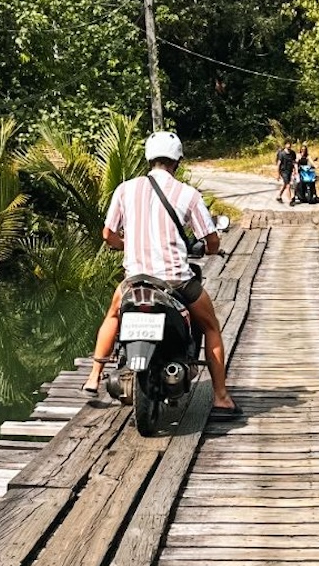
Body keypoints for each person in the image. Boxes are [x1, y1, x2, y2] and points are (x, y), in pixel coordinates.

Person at [82, 132, 240, 418]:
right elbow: (212, 239)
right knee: (211, 327)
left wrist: (126, 245)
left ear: (149, 158)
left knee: (113, 316)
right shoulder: (187, 194)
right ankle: (221, 397)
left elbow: (107, 234)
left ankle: (94, 376)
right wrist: (207, 249)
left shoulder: (125, 189)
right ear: (177, 161)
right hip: (176, 281)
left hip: (135, 282)